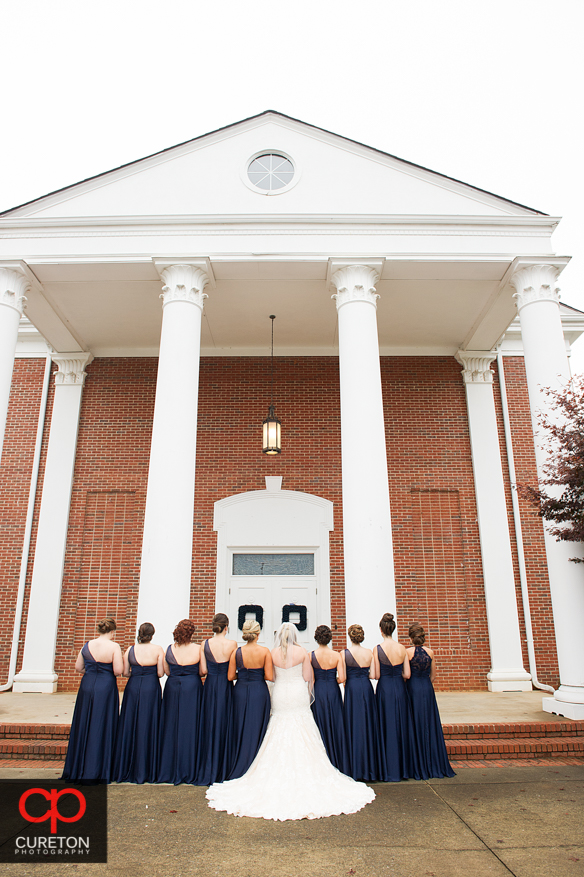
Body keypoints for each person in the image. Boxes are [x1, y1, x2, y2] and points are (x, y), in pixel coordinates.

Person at [206, 622, 375, 820]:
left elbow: (271, 677)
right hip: (296, 693)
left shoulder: (273, 653)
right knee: (302, 726)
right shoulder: (303, 652)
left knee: (278, 726)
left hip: (280, 693)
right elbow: (306, 677)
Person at [62, 616, 123, 783]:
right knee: (102, 724)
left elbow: (78, 667)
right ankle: (98, 768)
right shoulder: (114, 646)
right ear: (112, 632)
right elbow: (118, 670)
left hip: (87, 685)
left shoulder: (87, 645)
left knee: (85, 722)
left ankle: (78, 767)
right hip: (105, 686)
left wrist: (92, 672)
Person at [113, 622, 164, 784]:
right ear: (152, 634)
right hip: (150, 688)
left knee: (130, 724)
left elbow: (125, 672)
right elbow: (160, 673)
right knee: (149, 724)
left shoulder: (130, 649)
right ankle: (147, 769)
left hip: (133, 687)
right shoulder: (157, 650)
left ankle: (126, 766)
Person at [373, 612, 419, 782]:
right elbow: (407, 674)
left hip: (384, 688)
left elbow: (376, 675)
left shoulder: (377, 649)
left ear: (381, 630)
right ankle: (403, 767)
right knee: (401, 724)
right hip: (399, 688)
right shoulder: (402, 649)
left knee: (386, 725)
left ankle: (388, 767)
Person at [405, 622, 455, 779]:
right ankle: (433, 761)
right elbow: (433, 676)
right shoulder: (431, 652)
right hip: (427, 688)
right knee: (429, 723)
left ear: (411, 638)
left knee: (414, 723)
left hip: (413, 688)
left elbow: (406, 675)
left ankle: (417, 763)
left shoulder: (407, 653)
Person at [224, 619, 272, 779]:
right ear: (258, 634)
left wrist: (243, 675)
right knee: (258, 726)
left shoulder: (237, 652)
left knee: (241, 725)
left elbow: (230, 676)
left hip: (241, 690)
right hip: (259, 690)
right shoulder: (265, 652)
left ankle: (240, 761)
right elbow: (269, 676)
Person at [157, 619, 203, 785]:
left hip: (173, 686)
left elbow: (167, 671)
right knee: (190, 725)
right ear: (191, 633)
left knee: (171, 724)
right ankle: (189, 768)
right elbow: (203, 671)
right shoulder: (198, 649)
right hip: (192, 686)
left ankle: (168, 768)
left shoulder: (170, 649)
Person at [195, 612, 237, 785]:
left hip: (210, 685)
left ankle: (208, 765)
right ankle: (223, 767)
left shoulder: (204, 644)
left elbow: (203, 671)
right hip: (225, 686)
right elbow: (233, 673)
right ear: (227, 627)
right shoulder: (232, 644)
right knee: (225, 722)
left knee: (209, 722)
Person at [310, 624, 350, 774]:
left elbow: (311, 680)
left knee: (320, 723)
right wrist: (333, 680)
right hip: (333, 690)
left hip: (319, 690)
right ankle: (338, 760)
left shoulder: (311, 655)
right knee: (335, 722)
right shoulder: (337, 655)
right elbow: (343, 678)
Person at [342, 624, 379, 782]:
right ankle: (370, 767)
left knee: (353, 724)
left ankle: (355, 766)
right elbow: (374, 675)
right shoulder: (369, 653)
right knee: (368, 724)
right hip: (366, 687)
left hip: (352, 689)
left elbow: (342, 678)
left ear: (350, 636)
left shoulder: (344, 654)